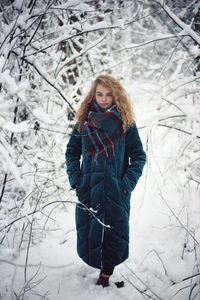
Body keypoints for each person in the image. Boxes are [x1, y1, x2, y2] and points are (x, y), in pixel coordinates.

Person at [65, 74, 146, 288]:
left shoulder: (125, 124)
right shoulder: (84, 122)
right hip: (89, 189)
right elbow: (72, 153)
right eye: (99, 94)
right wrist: (76, 179)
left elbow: (138, 156)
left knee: (114, 232)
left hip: (115, 190)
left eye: (108, 95)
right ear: (94, 95)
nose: (103, 99)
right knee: (89, 232)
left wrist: (125, 185)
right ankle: (97, 266)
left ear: (116, 96)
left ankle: (106, 273)